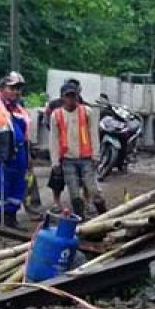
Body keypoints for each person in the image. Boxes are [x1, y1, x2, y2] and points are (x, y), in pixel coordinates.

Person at [0, 72, 31, 229]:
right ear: (2, 88)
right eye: (13, 88)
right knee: (0, 186)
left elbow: (25, 134)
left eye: (19, 89)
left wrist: (29, 155)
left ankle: (11, 219)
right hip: (1, 154)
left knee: (18, 186)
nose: (16, 92)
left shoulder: (20, 110)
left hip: (20, 153)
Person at [48, 83, 107, 218]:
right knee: (74, 193)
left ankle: (104, 215)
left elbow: (93, 134)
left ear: (77, 96)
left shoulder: (86, 112)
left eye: (73, 96)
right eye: (68, 96)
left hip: (86, 158)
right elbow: (54, 140)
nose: (71, 99)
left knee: (93, 190)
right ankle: (80, 219)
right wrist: (55, 161)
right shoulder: (56, 115)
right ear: (62, 97)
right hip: (68, 159)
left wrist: (96, 155)